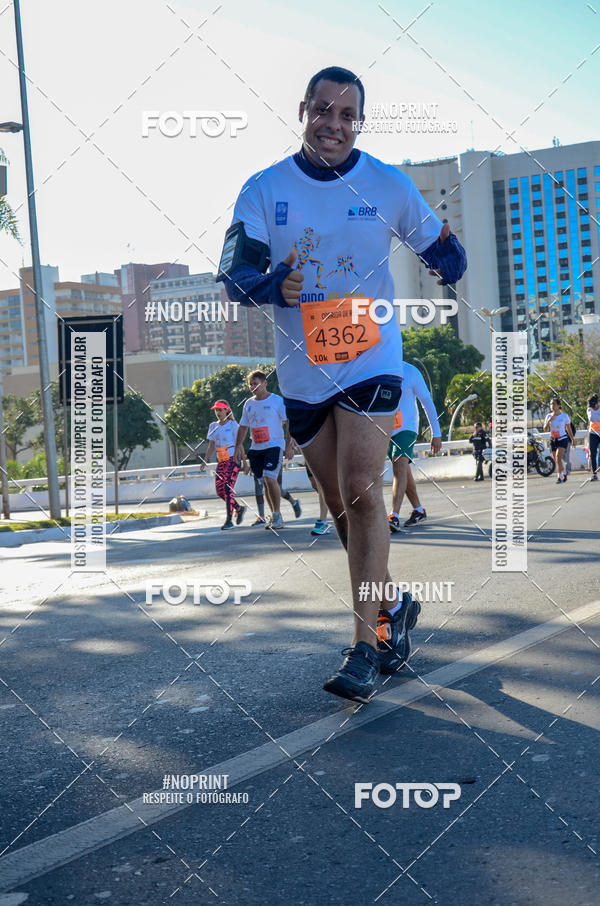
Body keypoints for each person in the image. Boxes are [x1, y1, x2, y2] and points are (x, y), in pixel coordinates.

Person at [222, 66, 467, 702]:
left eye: (347, 115)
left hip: (370, 353)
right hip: (304, 370)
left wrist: (447, 257)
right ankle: (394, 603)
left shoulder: (386, 183)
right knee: (340, 508)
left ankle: (366, 643)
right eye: (323, 112)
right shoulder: (264, 188)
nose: (333, 125)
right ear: (304, 110)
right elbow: (234, 273)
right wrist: (274, 284)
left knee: (364, 486)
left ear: (359, 121)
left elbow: (443, 248)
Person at [387, 362, 442, 531]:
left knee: (399, 465)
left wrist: (436, 433)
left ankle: (393, 516)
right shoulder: (380, 368)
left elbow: (426, 402)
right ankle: (418, 510)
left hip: (407, 428)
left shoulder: (411, 371)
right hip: (386, 428)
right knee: (403, 470)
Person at [235, 370, 293, 530]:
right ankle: (274, 515)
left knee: (269, 477)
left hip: (274, 445)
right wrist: (237, 448)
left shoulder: (276, 401)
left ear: (265, 383)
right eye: (250, 384)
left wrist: (289, 445)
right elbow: (243, 427)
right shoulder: (249, 404)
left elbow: (289, 422)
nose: (253, 387)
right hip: (256, 448)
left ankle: (277, 515)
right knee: (264, 483)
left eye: (256, 383)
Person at [204, 400, 247, 530]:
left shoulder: (233, 425)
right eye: (216, 410)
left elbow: (239, 444)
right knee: (220, 491)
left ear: (227, 410)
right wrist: (205, 460)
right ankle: (239, 509)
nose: (218, 412)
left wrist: (245, 462)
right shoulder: (213, 426)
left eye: (221, 410)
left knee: (228, 489)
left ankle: (229, 520)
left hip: (233, 460)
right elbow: (211, 445)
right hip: (221, 461)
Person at [544, 397, 575, 483]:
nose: (552, 406)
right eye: (550, 404)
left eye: (554, 404)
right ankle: (564, 472)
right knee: (557, 460)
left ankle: (559, 477)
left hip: (562, 439)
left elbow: (568, 429)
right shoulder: (548, 416)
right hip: (553, 439)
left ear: (558, 405)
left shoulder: (564, 416)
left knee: (558, 458)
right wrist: (549, 420)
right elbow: (545, 429)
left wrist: (572, 439)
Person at [587, 393, 600, 481]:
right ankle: (594, 474)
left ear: (598, 403)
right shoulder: (589, 409)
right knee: (593, 453)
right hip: (593, 434)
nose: (592, 407)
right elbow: (590, 419)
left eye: (593, 405)